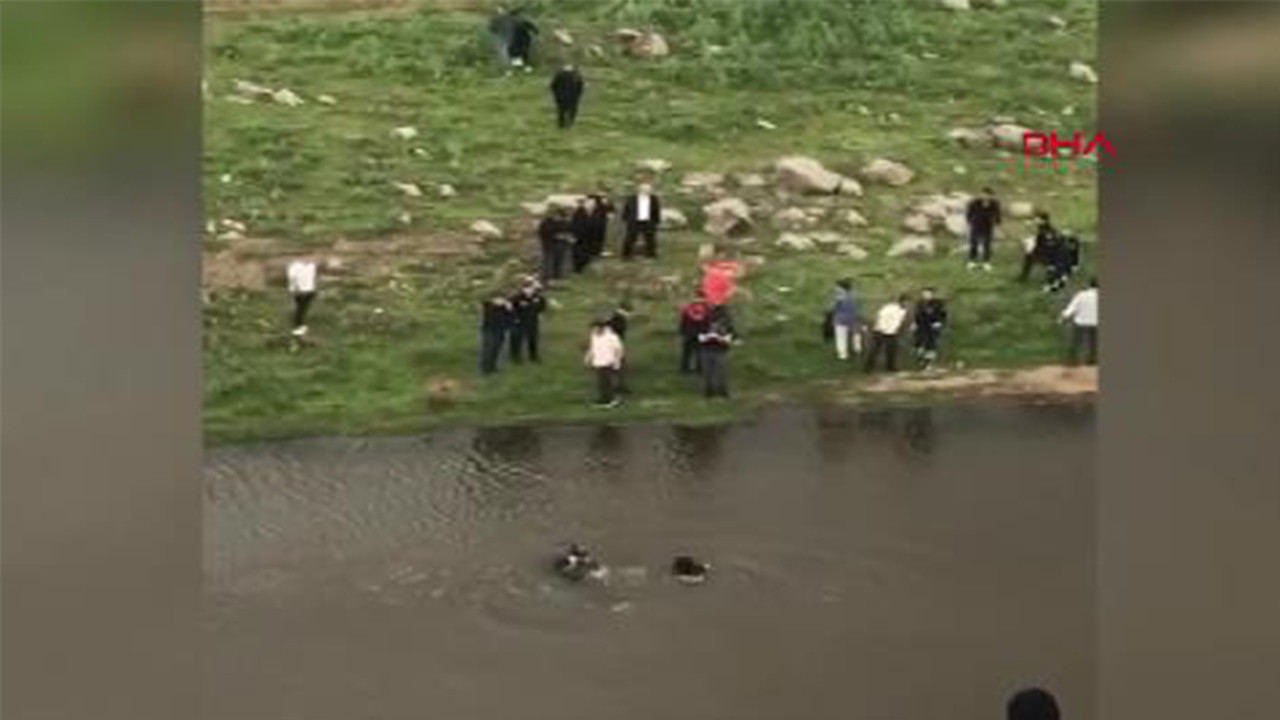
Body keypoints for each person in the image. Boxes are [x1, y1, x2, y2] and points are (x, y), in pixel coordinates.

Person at [863, 294, 909, 373]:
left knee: (892, 350)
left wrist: (896, 330)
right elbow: (880, 315)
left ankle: (890, 367)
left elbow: (898, 322)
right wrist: (881, 327)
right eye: (906, 302)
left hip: (892, 332)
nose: (907, 304)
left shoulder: (903, 311)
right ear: (902, 301)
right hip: (880, 331)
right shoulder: (890, 308)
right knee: (875, 350)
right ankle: (868, 368)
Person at [584, 320, 624, 407]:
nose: (594, 331)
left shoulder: (612, 337)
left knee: (608, 382)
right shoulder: (594, 336)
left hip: (608, 362)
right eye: (593, 329)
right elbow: (592, 347)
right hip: (598, 362)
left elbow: (619, 350)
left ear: (601, 328)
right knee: (601, 383)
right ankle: (603, 399)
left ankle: (611, 399)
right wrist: (588, 357)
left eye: (596, 329)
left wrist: (617, 362)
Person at [698, 309, 735, 399]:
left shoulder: (727, 328)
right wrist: (709, 336)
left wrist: (718, 337)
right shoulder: (704, 326)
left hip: (720, 351)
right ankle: (709, 392)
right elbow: (701, 339)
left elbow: (728, 340)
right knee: (707, 373)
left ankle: (723, 391)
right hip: (706, 351)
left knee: (721, 373)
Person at [1061, 277, 1099, 365]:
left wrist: (1064, 317)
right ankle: (1092, 362)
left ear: (1090, 284)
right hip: (1096, 323)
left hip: (1081, 322)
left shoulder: (1081, 295)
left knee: (1075, 343)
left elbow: (1072, 308)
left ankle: (1072, 361)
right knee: (1094, 344)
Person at [509, 278, 547, 364]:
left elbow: (543, 305)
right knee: (517, 339)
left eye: (531, 288)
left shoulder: (537, 297)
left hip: (533, 320)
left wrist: (540, 313)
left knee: (533, 339)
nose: (529, 291)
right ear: (523, 288)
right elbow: (511, 308)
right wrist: (514, 318)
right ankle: (515, 357)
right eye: (527, 288)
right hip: (519, 321)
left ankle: (533, 356)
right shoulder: (517, 297)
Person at [621, 182, 662, 259]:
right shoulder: (632, 198)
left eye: (648, 190)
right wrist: (625, 218)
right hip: (634, 221)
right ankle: (626, 255)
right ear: (639, 190)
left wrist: (656, 221)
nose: (647, 191)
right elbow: (626, 209)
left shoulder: (654, 199)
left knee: (650, 238)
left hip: (648, 221)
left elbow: (656, 210)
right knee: (630, 238)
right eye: (644, 190)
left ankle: (651, 254)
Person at [965, 186, 1002, 271]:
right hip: (976, 224)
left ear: (991, 196)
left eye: (987, 195)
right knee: (974, 243)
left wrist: (998, 222)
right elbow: (969, 213)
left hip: (988, 225)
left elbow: (997, 214)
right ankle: (972, 261)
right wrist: (969, 221)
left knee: (987, 244)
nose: (985, 196)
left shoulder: (994, 204)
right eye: (983, 194)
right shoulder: (974, 202)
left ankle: (986, 262)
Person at [911, 287, 948, 370]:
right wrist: (914, 323)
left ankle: (929, 362)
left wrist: (939, 322)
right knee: (919, 343)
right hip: (921, 325)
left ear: (932, 294)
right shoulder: (920, 303)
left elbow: (943, 314)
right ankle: (920, 360)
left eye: (927, 294)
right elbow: (916, 314)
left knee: (931, 344)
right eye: (924, 294)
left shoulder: (938, 303)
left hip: (932, 326)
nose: (925, 295)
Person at [479, 293, 514, 375]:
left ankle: (492, 367)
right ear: (493, 300)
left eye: (502, 300)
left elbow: (511, 319)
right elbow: (484, 302)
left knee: (496, 349)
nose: (500, 301)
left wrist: (510, 309)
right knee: (488, 349)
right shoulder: (488, 306)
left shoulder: (505, 309)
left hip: (501, 331)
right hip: (489, 331)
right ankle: (485, 370)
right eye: (498, 299)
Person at [678, 290, 712, 374]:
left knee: (687, 352)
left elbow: (684, 321)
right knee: (700, 351)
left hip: (689, 333)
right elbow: (708, 322)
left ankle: (685, 369)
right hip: (701, 332)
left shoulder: (688, 308)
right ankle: (699, 369)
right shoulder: (707, 308)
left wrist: (682, 331)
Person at [1020, 210, 1059, 283]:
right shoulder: (1049, 228)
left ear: (1042, 220)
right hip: (1051, 253)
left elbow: (1042, 243)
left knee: (1029, 257)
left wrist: (1030, 246)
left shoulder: (1044, 230)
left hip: (1046, 254)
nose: (1036, 220)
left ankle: (1023, 277)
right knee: (1029, 256)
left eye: (1038, 218)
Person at [538, 206, 574, 283]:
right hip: (548, 245)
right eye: (558, 216)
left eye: (561, 217)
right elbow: (544, 233)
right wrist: (557, 236)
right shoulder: (547, 222)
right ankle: (546, 277)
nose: (559, 218)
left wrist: (568, 237)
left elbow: (569, 230)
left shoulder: (564, 222)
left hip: (561, 245)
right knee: (548, 261)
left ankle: (557, 276)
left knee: (559, 261)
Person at [829, 278, 862, 362]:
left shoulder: (839, 297)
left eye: (837, 287)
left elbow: (832, 308)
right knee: (855, 335)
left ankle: (843, 355)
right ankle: (857, 350)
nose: (835, 288)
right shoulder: (855, 295)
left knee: (841, 338)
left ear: (841, 288)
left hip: (841, 319)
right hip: (853, 318)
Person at [286, 256, 318, 336]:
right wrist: (297, 289)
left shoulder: (312, 265)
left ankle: (301, 324)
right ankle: (297, 326)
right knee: (300, 307)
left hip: (310, 289)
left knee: (304, 307)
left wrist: (314, 288)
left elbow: (312, 277)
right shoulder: (295, 266)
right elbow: (292, 278)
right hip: (299, 290)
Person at [607, 301, 633, 394]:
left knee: (618, 366)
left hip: (613, 346)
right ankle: (619, 387)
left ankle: (618, 385)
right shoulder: (618, 319)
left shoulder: (615, 317)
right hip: (614, 347)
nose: (630, 315)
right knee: (618, 366)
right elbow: (616, 334)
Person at [549, 64, 584, 129]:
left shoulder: (560, 75)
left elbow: (553, 86)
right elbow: (580, 87)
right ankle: (568, 123)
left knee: (562, 110)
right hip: (571, 96)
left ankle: (563, 124)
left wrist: (556, 95)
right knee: (569, 110)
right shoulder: (576, 76)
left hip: (563, 96)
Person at [584, 192, 615, 263]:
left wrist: (610, 214)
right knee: (592, 237)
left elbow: (611, 210)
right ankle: (591, 252)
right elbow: (588, 203)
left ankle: (597, 251)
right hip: (592, 221)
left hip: (602, 221)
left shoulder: (607, 200)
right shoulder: (593, 198)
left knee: (600, 237)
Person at [570, 198, 594, 273]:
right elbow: (588, 225)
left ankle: (577, 267)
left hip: (578, 235)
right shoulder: (584, 213)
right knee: (581, 251)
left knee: (577, 251)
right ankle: (579, 267)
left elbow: (573, 224)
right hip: (583, 235)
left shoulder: (577, 213)